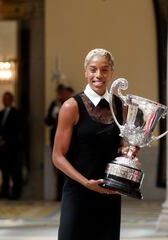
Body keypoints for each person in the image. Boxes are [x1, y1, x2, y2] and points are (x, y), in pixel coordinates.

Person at [52, 48, 128, 240]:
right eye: (93, 69)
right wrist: (85, 183)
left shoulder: (121, 107)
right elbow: (57, 156)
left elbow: (121, 146)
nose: (98, 75)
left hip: (109, 193)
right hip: (78, 193)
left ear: (111, 72)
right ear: (85, 72)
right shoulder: (71, 106)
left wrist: (128, 151)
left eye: (104, 69)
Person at [45, 83, 74, 201]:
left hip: (71, 139)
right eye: (62, 92)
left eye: (66, 92)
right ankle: (59, 194)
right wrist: (55, 114)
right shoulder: (54, 104)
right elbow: (47, 121)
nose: (64, 94)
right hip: (56, 139)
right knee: (58, 167)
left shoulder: (74, 103)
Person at [0, 91, 24, 200]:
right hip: (2, 148)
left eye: (7, 98)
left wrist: (6, 140)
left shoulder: (17, 113)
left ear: (11, 100)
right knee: (4, 171)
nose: (5, 100)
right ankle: (4, 192)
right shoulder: (0, 113)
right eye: (3, 98)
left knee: (14, 171)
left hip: (13, 148)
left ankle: (15, 194)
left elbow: (16, 130)